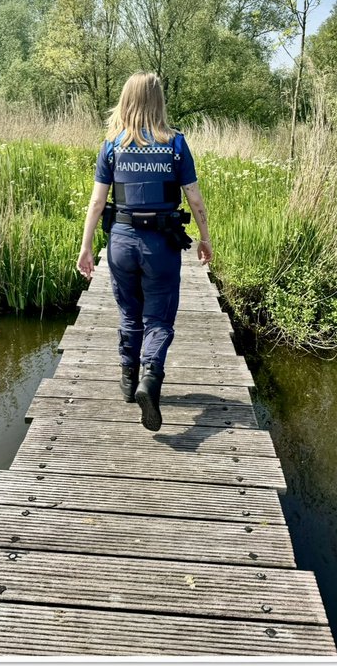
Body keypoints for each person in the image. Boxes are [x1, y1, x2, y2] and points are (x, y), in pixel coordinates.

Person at [76, 72, 213, 430]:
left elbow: (96, 201)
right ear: (158, 101)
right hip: (160, 245)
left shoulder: (112, 145)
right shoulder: (176, 144)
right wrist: (204, 237)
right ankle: (149, 379)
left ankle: (127, 380)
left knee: (128, 312)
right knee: (159, 318)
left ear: (126, 100)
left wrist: (87, 246)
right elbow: (194, 198)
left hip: (121, 240)